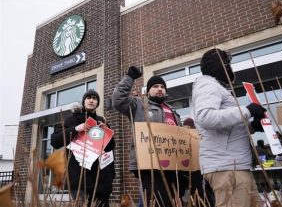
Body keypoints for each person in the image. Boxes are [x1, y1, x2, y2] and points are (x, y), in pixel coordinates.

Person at [192, 48, 266, 207]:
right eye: (227, 64)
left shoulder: (217, 87)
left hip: (236, 165)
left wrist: (252, 127)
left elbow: (227, 129)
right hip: (226, 168)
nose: (230, 67)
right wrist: (247, 110)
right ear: (220, 65)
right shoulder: (207, 84)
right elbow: (206, 117)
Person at [112, 66, 185, 207]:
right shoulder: (139, 104)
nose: (160, 89)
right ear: (148, 89)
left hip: (173, 166)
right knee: (155, 201)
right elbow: (118, 100)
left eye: (162, 87)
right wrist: (129, 77)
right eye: (156, 86)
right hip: (150, 165)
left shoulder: (172, 110)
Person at [51, 89, 115, 207]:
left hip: (101, 180)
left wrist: (106, 132)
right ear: (84, 101)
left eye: (94, 98)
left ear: (97, 103)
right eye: (89, 98)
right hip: (80, 179)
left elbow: (110, 147)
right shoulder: (72, 119)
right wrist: (75, 129)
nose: (91, 100)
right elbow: (55, 141)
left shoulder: (101, 120)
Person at [182, 118, 215, 207]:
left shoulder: (198, 137)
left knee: (201, 193)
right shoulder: (184, 139)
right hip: (194, 174)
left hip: (199, 173)